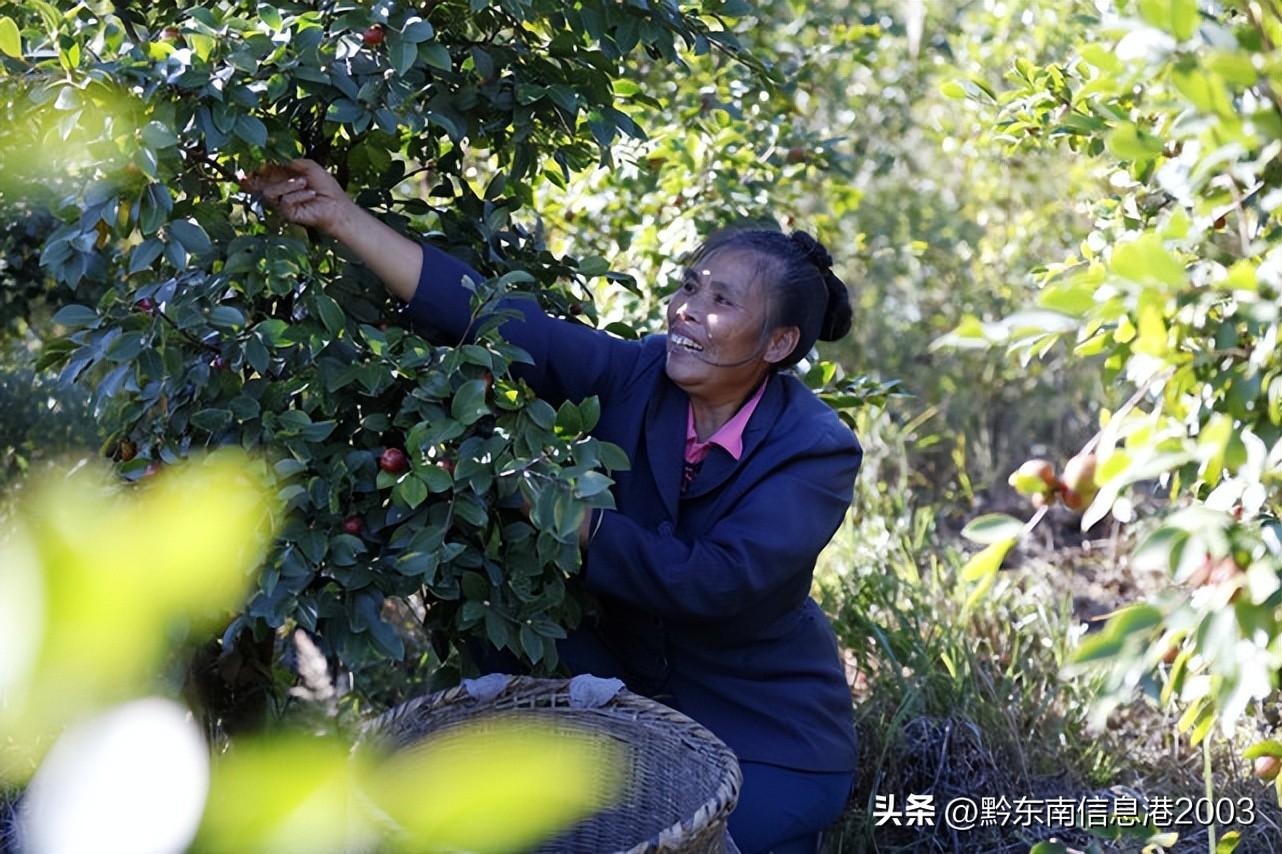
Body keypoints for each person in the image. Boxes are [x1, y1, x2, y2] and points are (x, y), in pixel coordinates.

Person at [245, 159, 862, 853]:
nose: (687, 308)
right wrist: (342, 218)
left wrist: (573, 518)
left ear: (778, 342)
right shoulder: (640, 373)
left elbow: (714, 580)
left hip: (759, 724)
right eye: (689, 286)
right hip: (629, 694)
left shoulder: (813, 450)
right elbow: (507, 322)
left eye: (722, 301)